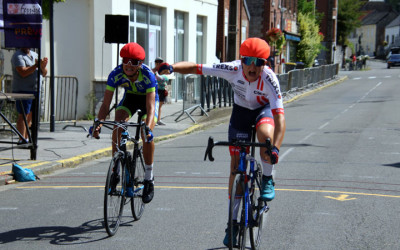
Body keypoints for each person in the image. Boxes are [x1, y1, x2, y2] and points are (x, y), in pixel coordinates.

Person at [159, 37, 286, 247]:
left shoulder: (270, 79)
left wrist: (275, 149)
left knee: (265, 135)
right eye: (249, 60)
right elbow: (197, 67)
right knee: (236, 169)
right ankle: (232, 224)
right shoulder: (231, 69)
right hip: (241, 113)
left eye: (259, 62)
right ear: (241, 60)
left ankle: (267, 179)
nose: (253, 66)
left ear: (265, 64)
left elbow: (280, 118)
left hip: (263, 110)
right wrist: (172, 67)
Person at [91, 42, 159, 204]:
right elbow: (106, 104)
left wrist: (148, 129)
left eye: (134, 62)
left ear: (140, 64)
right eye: (126, 60)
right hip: (130, 99)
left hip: (148, 100)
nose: (129, 65)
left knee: (146, 134)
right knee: (117, 124)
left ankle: (149, 178)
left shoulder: (148, 75)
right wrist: (98, 123)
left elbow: (150, 109)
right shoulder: (115, 74)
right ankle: (116, 170)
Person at [11, 48, 48, 144]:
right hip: (23, 91)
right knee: (23, 115)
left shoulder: (35, 55)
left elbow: (44, 73)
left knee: (30, 116)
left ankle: (26, 139)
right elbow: (23, 72)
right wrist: (36, 65)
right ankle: (21, 138)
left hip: (35, 90)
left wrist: (43, 67)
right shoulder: (18, 56)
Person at [152, 57, 168, 125]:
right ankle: (153, 120)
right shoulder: (152, 70)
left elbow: (165, 79)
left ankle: (158, 119)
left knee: (160, 106)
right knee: (154, 105)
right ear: (155, 63)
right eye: (157, 62)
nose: (158, 64)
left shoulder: (163, 70)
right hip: (155, 90)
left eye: (160, 62)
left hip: (162, 90)